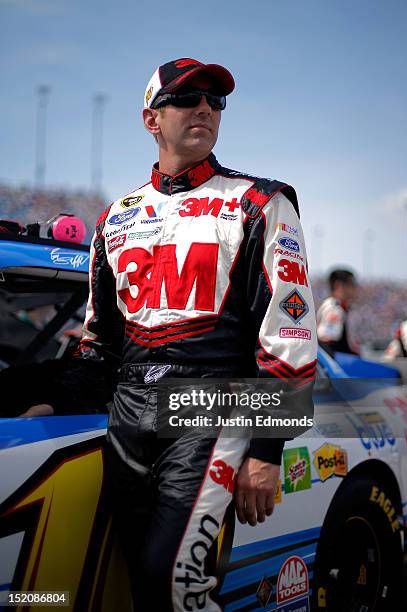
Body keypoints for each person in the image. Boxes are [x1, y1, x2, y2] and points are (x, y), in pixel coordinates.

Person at [23, 58, 317, 611]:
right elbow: (99, 345)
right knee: (135, 579)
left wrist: (268, 447)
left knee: (171, 580)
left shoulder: (260, 202)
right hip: (128, 413)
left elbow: (290, 329)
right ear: (150, 119)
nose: (205, 107)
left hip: (208, 403)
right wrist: (52, 403)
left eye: (216, 99)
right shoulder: (115, 217)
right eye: (187, 98)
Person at [317, 268, 358, 356]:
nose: (355, 287)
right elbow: (326, 340)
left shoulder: (339, 307)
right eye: (351, 284)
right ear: (338, 285)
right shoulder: (334, 309)